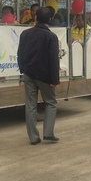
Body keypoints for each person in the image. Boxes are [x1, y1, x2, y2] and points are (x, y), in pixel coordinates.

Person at [17, 7, 60, 145]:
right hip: (44, 76)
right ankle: (48, 133)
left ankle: (33, 137)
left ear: (35, 17)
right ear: (50, 20)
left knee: (30, 105)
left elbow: (20, 53)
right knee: (51, 102)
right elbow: (54, 60)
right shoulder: (51, 36)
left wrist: (22, 69)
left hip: (29, 73)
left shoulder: (25, 33)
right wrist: (54, 80)